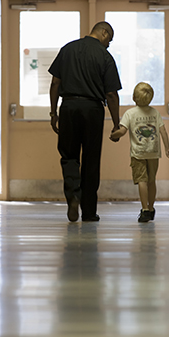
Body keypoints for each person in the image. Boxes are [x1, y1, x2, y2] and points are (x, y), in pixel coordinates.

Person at [49, 21, 122, 222]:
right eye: (110, 40)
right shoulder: (105, 56)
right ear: (104, 33)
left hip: (69, 107)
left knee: (69, 156)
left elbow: (55, 83)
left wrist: (54, 113)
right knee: (91, 160)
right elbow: (111, 94)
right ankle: (89, 212)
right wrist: (116, 124)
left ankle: (73, 195)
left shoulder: (67, 49)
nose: (108, 45)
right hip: (93, 110)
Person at [110, 82, 169, 222]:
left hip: (138, 153)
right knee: (152, 181)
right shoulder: (155, 113)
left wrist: (114, 135)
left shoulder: (130, 113)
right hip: (153, 152)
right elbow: (162, 131)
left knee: (142, 181)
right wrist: (168, 149)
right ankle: (151, 209)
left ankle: (144, 209)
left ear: (134, 97)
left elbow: (122, 131)